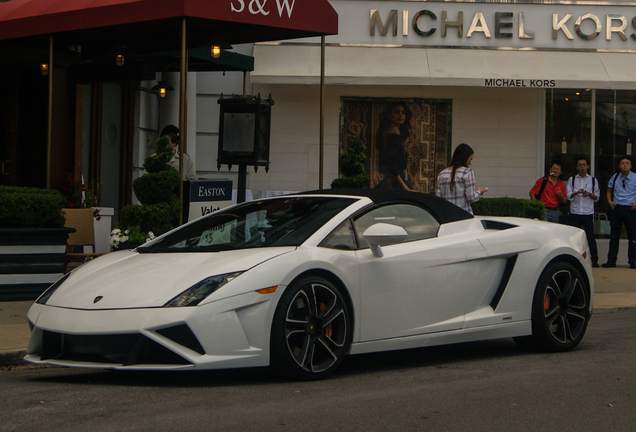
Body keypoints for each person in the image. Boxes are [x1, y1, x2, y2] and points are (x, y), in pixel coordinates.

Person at [602, 156, 636, 269]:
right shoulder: (615, 177)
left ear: (631, 166)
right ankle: (611, 260)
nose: (624, 165)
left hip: (630, 209)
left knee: (633, 236)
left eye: (627, 163)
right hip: (617, 209)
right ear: (619, 165)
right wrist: (610, 201)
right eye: (622, 163)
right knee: (614, 236)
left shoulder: (635, 177)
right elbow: (609, 190)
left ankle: (633, 261)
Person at [374, 103, 417, 191]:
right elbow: (391, 164)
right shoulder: (393, 131)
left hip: (393, 182)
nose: (400, 115)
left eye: (403, 113)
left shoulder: (388, 132)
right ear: (390, 115)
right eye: (397, 112)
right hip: (394, 184)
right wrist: (405, 188)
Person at [566, 157, 600, 267]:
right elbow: (568, 196)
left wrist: (589, 194)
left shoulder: (593, 180)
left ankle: (594, 260)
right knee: (574, 238)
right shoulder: (572, 179)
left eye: (584, 165)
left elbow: (597, 197)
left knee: (590, 237)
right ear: (577, 167)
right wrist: (577, 193)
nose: (582, 167)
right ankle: (574, 259)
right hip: (575, 212)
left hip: (587, 212)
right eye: (580, 165)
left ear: (587, 166)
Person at [436, 143, 486, 214]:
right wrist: (479, 192)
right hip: (463, 216)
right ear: (465, 157)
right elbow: (471, 197)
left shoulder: (442, 174)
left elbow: (438, 200)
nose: (470, 163)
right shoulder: (467, 172)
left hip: (446, 216)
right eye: (470, 159)